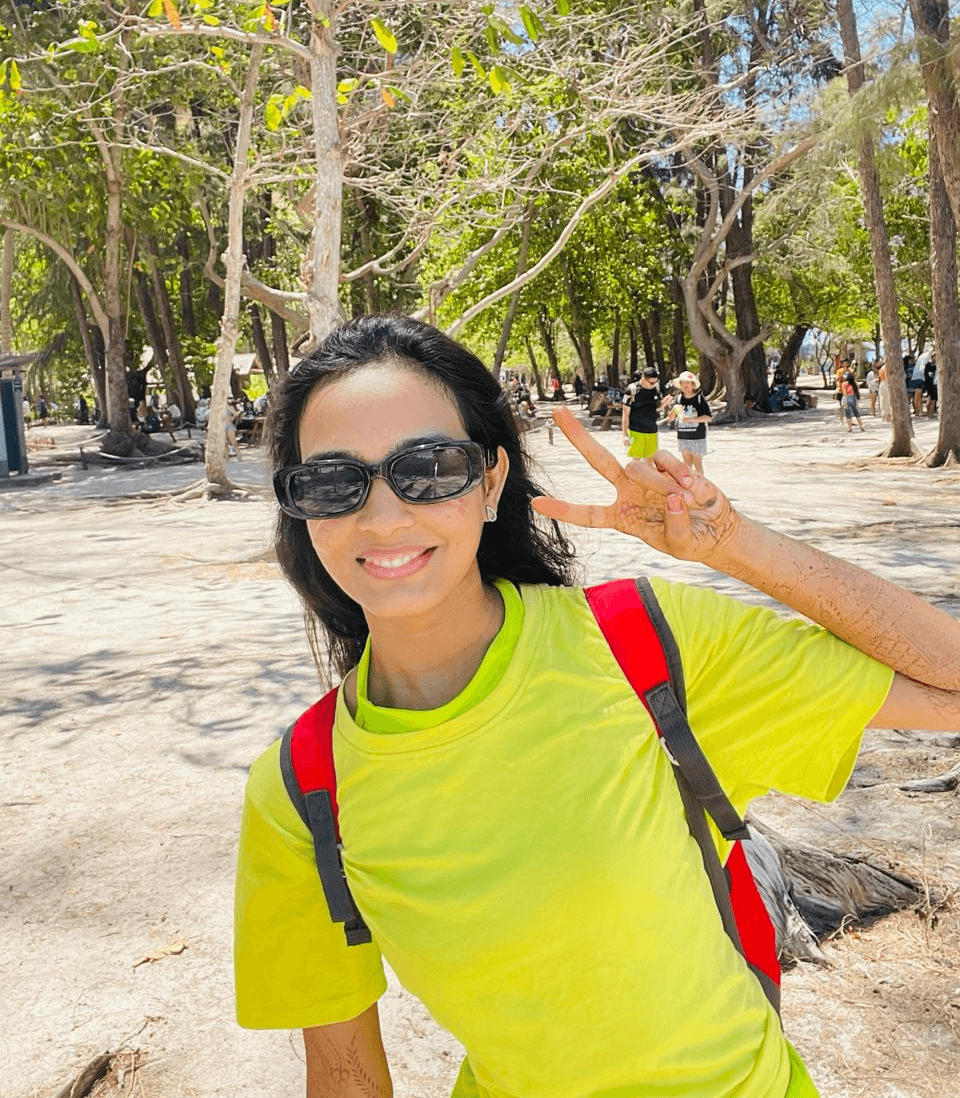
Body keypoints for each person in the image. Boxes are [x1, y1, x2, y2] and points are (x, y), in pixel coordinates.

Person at [234, 315, 960, 1098]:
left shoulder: (640, 647)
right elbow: (343, 1074)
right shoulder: (301, 791)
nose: (382, 516)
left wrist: (730, 544)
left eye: (429, 467)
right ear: (302, 513)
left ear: (489, 482)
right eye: (334, 482)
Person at [668, 369, 712, 474]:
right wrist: (674, 410)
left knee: (697, 463)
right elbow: (670, 418)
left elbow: (708, 417)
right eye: (682, 383)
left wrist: (692, 419)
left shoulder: (699, 399)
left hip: (698, 436)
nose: (685, 385)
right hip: (683, 436)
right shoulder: (678, 399)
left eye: (688, 382)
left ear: (693, 385)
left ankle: (700, 488)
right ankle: (689, 488)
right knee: (687, 466)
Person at [621, 366, 670, 458]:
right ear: (643, 378)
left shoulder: (656, 388)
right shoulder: (632, 389)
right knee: (636, 462)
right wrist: (624, 434)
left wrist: (663, 404)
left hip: (652, 431)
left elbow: (655, 408)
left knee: (651, 461)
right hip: (635, 431)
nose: (654, 384)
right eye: (651, 382)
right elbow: (625, 413)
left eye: (656, 382)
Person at [923, 352, 938, 418]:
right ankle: (930, 413)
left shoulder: (934, 364)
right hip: (931, 384)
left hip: (933, 383)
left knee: (933, 399)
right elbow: (929, 374)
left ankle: (930, 412)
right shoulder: (930, 365)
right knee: (931, 399)